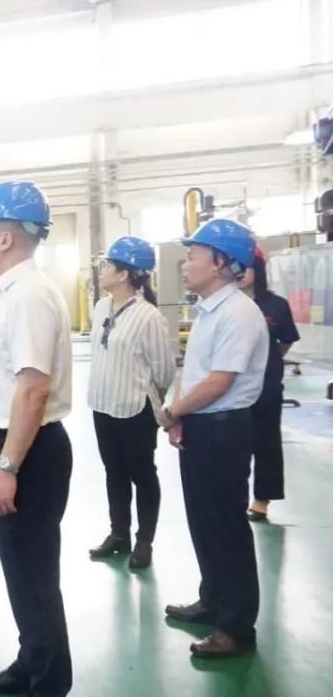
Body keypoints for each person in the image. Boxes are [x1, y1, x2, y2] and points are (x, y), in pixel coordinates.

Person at [0, 181, 74, 697]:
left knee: (33, 573)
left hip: (23, 451)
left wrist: (6, 467)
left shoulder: (27, 296)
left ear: (5, 238)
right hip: (13, 445)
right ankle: (32, 663)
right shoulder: (13, 293)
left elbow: (33, 389)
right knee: (23, 573)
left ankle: (48, 683)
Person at [161, 218, 268, 658]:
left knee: (226, 527)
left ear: (221, 262)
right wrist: (181, 414)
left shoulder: (239, 313)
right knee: (204, 521)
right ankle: (213, 600)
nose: (185, 264)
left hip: (224, 429)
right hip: (202, 425)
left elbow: (221, 381)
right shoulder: (209, 309)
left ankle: (237, 627)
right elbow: (194, 371)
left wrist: (174, 412)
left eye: (193, 256)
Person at [87, 236, 174, 570]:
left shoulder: (148, 316)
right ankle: (119, 535)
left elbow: (164, 370)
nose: (102, 270)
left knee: (142, 474)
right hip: (103, 404)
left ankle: (144, 541)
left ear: (124, 274)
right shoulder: (101, 308)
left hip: (135, 409)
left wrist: (157, 400)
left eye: (108, 265)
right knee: (114, 472)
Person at [236, 246, 299, 522]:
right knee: (233, 442)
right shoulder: (226, 304)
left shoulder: (276, 305)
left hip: (266, 385)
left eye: (245, 267)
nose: (240, 273)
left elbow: (285, 341)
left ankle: (262, 499)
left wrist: (267, 361)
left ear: (259, 271)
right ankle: (234, 493)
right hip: (232, 385)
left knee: (267, 441)